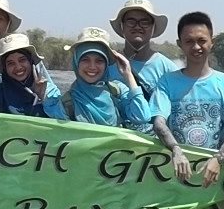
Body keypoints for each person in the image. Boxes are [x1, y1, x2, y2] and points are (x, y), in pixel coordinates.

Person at [50, 29, 191, 175]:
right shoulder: (67, 103)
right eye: (85, 60)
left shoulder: (116, 91)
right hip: (83, 173)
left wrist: (128, 75)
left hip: (115, 171)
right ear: (76, 62)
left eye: (99, 61)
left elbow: (142, 116)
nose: (92, 66)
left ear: (106, 64)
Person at [153, 12, 224, 209]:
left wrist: (218, 159)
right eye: (189, 41)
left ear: (212, 42)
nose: (196, 47)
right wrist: (176, 151)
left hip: (215, 179)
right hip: (175, 179)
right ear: (180, 44)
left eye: (202, 41)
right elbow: (159, 123)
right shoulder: (166, 82)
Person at [0, 33, 59, 117]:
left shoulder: (50, 91)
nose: (18, 67)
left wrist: (45, 99)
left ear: (30, 61)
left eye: (22, 60)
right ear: (5, 68)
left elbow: (62, 119)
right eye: (10, 63)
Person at [111, 0, 178, 98]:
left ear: (153, 27)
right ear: (122, 26)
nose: (137, 27)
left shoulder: (167, 69)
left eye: (144, 22)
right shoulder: (107, 64)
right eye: (131, 22)